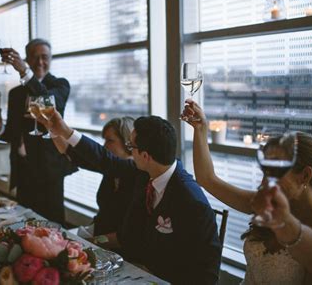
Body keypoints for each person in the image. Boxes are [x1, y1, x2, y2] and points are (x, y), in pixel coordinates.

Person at [37, 110, 221, 284]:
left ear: (145, 155)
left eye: (131, 146)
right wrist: (64, 131)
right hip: (135, 269)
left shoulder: (191, 200)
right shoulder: (144, 173)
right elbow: (104, 159)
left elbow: (206, 272)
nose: (129, 151)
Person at [182, 99, 312, 285]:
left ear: (304, 176)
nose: (263, 182)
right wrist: (201, 129)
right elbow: (207, 179)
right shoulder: (271, 205)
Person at [0, 38, 76, 223]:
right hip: (23, 168)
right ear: (27, 58)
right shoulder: (15, 94)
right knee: (24, 224)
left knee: (51, 224)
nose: (40, 62)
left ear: (51, 59)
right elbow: (12, 134)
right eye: (35, 58)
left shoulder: (60, 85)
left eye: (45, 57)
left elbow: (49, 103)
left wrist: (24, 72)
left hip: (49, 170)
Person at [52, 117, 136, 245]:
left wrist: (88, 242)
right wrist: (51, 128)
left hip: (120, 248)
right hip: (97, 237)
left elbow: (98, 155)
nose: (104, 146)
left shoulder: (134, 171)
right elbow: (70, 153)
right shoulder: (110, 170)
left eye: (110, 140)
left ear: (127, 141)